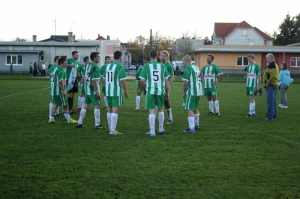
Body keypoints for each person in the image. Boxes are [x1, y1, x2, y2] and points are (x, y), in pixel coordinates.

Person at [139, 50, 169, 137]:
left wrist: (145, 88)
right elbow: (167, 81)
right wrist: (167, 92)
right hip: (160, 91)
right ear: (158, 56)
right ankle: (160, 128)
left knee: (151, 111)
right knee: (161, 109)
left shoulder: (146, 66)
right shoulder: (163, 66)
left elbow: (141, 81)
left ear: (149, 56)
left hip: (151, 91)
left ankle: (152, 131)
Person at [101, 51, 129, 135]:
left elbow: (104, 79)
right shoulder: (120, 66)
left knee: (109, 109)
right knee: (115, 109)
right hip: (116, 91)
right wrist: (126, 91)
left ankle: (110, 128)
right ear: (120, 57)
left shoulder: (108, 65)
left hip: (108, 90)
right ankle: (112, 130)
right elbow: (122, 81)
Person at [76, 52, 105, 129]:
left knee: (86, 106)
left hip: (87, 89)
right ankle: (97, 124)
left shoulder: (87, 65)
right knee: (97, 105)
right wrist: (96, 92)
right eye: (98, 57)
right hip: (93, 89)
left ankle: (79, 122)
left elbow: (84, 77)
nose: (99, 58)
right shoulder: (95, 67)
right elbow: (94, 80)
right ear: (94, 58)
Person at [48, 57, 77, 124]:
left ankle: (51, 118)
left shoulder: (56, 68)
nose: (66, 64)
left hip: (54, 90)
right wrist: (63, 90)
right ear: (61, 63)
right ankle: (69, 119)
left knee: (56, 104)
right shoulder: (61, 70)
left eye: (66, 63)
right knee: (64, 105)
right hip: (59, 91)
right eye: (65, 63)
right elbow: (60, 81)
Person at [182, 55, 202, 133]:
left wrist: (184, 92)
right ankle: (196, 124)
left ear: (186, 61)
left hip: (191, 91)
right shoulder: (195, 67)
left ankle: (191, 128)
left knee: (189, 109)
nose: (182, 63)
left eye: (183, 61)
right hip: (198, 91)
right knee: (195, 108)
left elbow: (186, 82)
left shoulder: (188, 68)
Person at [263, 53, 279, 121]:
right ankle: (274, 115)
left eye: (267, 58)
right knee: (273, 101)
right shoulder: (274, 64)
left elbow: (272, 76)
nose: (266, 59)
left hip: (271, 86)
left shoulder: (272, 65)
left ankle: (270, 116)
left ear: (271, 58)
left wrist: (267, 83)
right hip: (274, 85)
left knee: (270, 102)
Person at [160, 50, 174, 124]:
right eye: (161, 56)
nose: (162, 57)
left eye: (164, 56)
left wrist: (167, 85)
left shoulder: (168, 66)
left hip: (165, 87)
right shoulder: (160, 65)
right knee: (157, 102)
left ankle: (170, 119)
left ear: (167, 57)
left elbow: (172, 77)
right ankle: (155, 117)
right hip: (159, 87)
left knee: (166, 102)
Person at [245, 54, 261, 119]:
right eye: (248, 59)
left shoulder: (257, 66)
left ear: (253, 59)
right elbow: (248, 74)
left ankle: (250, 113)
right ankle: (253, 112)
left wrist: (258, 86)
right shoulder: (248, 66)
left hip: (253, 85)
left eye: (250, 59)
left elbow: (259, 76)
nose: (248, 60)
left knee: (251, 98)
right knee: (251, 98)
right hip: (248, 84)